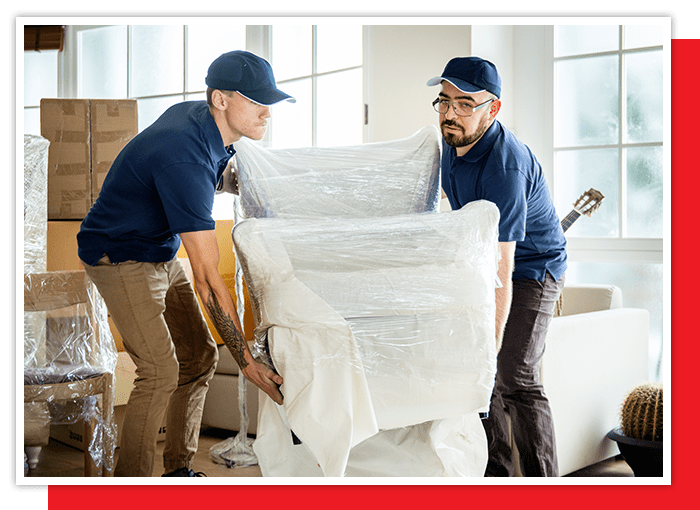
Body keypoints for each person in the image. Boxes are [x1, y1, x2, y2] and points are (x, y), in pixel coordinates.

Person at [77, 50, 294, 477]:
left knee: (198, 356)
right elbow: (209, 281)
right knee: (159, 370)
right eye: (256, 100)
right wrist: (248, 361)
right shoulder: (183, 153)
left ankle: (178, 472)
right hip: (118, 253)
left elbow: (209, 173)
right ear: (221, 100)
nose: (267, 112)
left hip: (158, 247)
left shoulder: (201, 121)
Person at [427, 56, 567, 477]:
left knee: (513, 374)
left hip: (532, 267)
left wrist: (489, 341)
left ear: (493, 109)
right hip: (483, 261)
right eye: (444, 100)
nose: (451, 113)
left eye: (466, 103)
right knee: (479, 375)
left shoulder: (505, 166)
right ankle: (497, 479)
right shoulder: (451, 144)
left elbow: (503, 268)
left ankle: (544, 484)